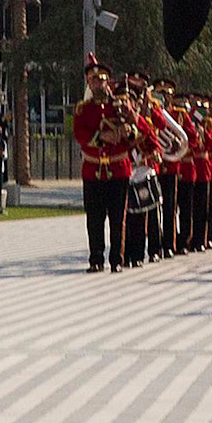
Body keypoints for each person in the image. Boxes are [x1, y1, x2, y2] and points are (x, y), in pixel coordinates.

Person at [73, 60, 143, 273]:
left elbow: (136, 131)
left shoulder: (120, 105)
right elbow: (80, 134)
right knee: (94, 218)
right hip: (93, 170)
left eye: (102, 80)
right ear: (88, 83)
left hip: (118, 168)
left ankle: (116, 260)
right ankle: (96, 259)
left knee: (117, 218)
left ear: (107, 82)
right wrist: (102, 136)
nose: (98, 84)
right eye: (94, 80)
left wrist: (127, 129)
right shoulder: (82, 109)